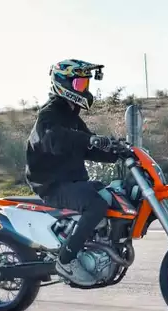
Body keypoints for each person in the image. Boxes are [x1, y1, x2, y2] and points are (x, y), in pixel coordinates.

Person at [25, 59, 121, 286]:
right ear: (62, 83)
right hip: (51, 184)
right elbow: (54, 139)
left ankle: (97, 246)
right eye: (79, 83)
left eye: (85, 84)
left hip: (72, 180)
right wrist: (90, 139)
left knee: (112, 195)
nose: (84, 89)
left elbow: (87, 147)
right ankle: (66, 260)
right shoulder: (48, 115)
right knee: (96, 204)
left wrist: (118, 151)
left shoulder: (72, 118)